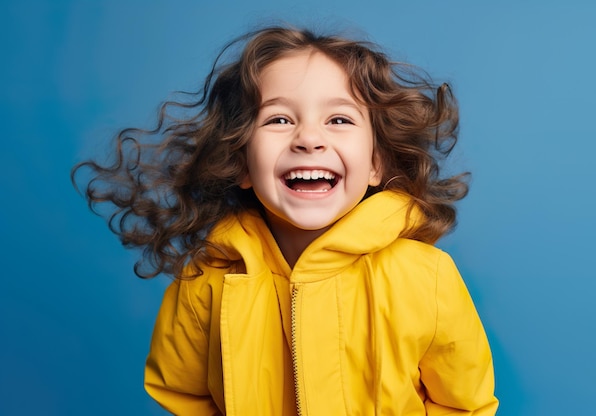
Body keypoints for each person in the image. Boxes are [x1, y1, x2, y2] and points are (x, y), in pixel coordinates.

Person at [73, 25, 498, 415]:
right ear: (239, 161)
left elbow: (464, 404)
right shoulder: (205, 281)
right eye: (279, 118)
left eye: (339, 119)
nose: (309, 139)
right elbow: (182, 393)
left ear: (375, 163)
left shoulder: (426, 277)